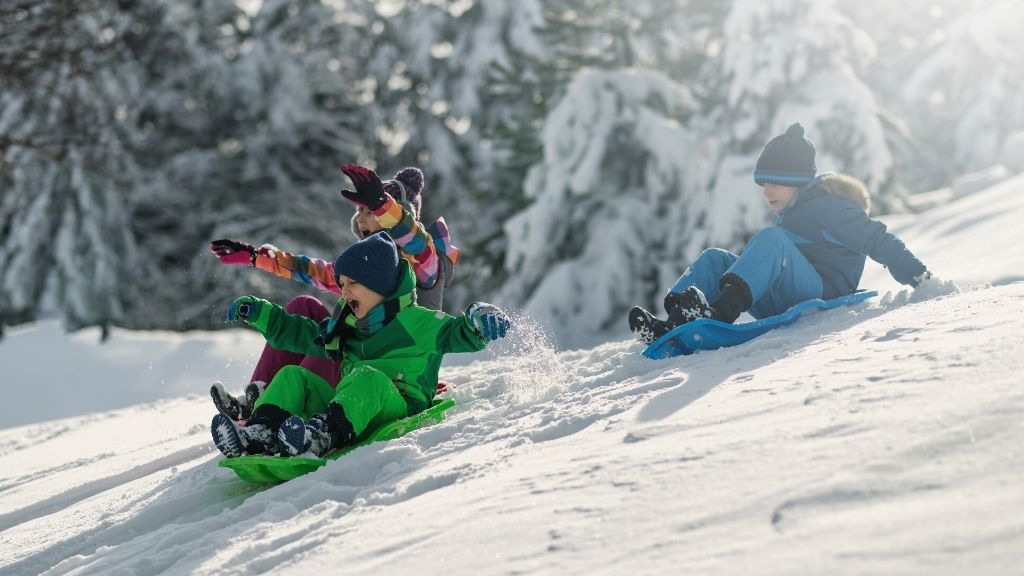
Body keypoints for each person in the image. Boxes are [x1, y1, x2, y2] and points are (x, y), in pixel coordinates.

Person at [628, 122, 933, 344]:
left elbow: (878, 239)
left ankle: (718, 314)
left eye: (774, 183)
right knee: (714, 258)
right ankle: (676, 323)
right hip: (790, 294)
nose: (767, 192)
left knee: (771, 240)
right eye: (763, 185)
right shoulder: (793, 214)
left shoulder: (832, 207)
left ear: (797, 180)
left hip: (823, 295)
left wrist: (919, 276)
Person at [211, 231, 510, 458]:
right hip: (349, 403)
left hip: (398, 402)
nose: (344, 292)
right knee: (293, 376)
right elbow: (302, 334)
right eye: (341, 284)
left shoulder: (418, 321)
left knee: (367, 376)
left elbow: (458, 332)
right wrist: (262, 313)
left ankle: (318, 436)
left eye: (352, 284)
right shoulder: (349, 324)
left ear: (380, 287)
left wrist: (479, 319)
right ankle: (259, 431)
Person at [209, 164, 461, 420]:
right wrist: (257, 258)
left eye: (369, 211)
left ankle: (289, 408)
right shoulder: (363, 270)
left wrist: (383, 204)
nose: (361, 219)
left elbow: (415, 239)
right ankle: (259, 397)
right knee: (303, 306)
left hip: (385, 377)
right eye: (359, 211)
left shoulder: (426, 264)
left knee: (337, 338)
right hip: (356, 359)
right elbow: (316, 271)